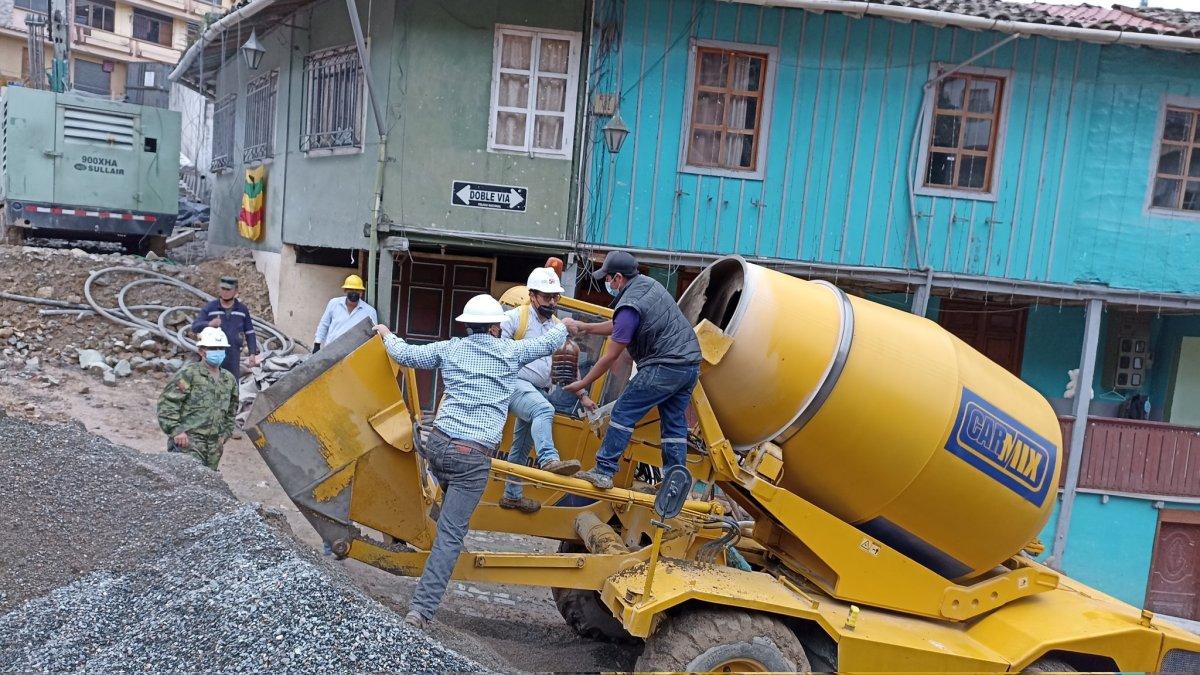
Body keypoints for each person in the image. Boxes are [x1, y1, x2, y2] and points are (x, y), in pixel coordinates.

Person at [373, 294, 573, 630]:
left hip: (438, 446)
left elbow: (406, 354)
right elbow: (549, 343)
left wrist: (386, 334)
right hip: (472, 458)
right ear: (495, 327)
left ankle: (420, 525)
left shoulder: (452, 348)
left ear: (468, 326)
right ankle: (420, 610)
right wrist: (564, 325)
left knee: (443, 499)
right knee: (451, 537)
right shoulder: (510, 352)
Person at [563, 251, 703, 490]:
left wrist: (582, 383)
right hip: (688, 365)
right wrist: (586, 327)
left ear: (618, 278)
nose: (607, 283)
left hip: (664, 364)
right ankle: (674, 481)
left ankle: (604, 471)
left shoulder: (629, 304)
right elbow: (619, 325)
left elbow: (610, 356)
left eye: (608, 278)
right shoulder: (648, 285)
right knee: (673, 425)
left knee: (623, 411)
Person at [497, 267, 591, 513]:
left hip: (538, 389)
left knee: (521, 448)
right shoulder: (514, 318)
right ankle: (548, 458)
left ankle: (512, 496)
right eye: (547, 297)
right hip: (514, 384)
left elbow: (569, 365)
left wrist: (583, 396)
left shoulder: (557, 327)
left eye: (555, 297)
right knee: (544, 410)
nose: (552, 302)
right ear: (532, 295)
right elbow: (497, 352)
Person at [156, 327, 240, 470]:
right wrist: (177, 430)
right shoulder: (189, 374)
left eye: (221, 348)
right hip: (188, 442)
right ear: (201, 351)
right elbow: (168, 403)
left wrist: (225, 435)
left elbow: (232, 410)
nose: (218, 351)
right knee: (185, 479)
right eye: (212, 348)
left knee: (208, 481)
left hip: (214, 446)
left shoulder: (228, 379)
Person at [191, 276, 262, 379]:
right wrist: (209, 324)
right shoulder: (210, 308)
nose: (225, 292)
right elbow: (195, 327)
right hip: (213, 356)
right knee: (211, 382)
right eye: (223, 289)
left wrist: (252, 353)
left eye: (228, 289)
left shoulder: (242, 310)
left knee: (232, 382)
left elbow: (250, 332)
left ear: (236, 291)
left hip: (233, 356)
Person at [314, 274, 378, 352]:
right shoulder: (334, 303)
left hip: (354, 353)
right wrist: (317, 343)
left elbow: (373, 335)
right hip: (331, 350)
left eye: (357, 290)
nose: (354, 292)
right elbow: (324, 324)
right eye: (351, 289)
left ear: (361, 292)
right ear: (345, 290)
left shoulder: (370, 311)